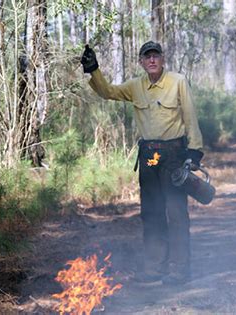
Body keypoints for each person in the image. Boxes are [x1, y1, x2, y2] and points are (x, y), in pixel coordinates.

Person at [80, 41, 204, 285]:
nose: (152, 61)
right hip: (149, 156)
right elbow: (108, 92)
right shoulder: (136, 86)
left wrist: (195, 150)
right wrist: (93, 69)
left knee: (176, 212)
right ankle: (155, 267)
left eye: (155, 56)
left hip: (173, 155)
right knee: (152, 212)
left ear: (162, 58)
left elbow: (190, 114)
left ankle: (179, 269)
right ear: (141, 61)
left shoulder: (178, 81)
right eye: (147, 57)